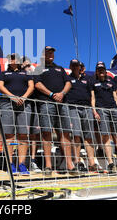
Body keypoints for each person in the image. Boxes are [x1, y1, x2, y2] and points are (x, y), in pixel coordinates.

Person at [32, 46, 71, 175]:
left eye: (52, 53)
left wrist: (62, 93)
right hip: (46, 103)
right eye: (47, 52)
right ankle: (48, 166)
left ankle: (70, 165)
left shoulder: (60, 68)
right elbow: (37, 84)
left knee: (65, 133)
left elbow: (68, 83)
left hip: (62, 103)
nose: (50, 55)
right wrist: (52, 94)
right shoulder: (38, 68)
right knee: (46, 133)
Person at [0, 53, 34, 176]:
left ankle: (22, 164)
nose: (14, 60)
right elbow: (0, 86)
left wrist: (23, 97)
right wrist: (12, 96)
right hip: (7, 103)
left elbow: (31, 86)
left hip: (24, 104)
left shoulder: (26, 73)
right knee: (9, 135)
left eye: (16, 58)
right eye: (11, 58)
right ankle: (10, 164)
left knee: (23, 134)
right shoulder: (4, 73)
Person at [90, 61, 117, 173]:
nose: (101, 71)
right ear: (96, 72)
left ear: (105, 70)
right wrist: (94, 111)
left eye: (102, 69)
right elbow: (92, 98)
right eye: (99, 70)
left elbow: (116, 98)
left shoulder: (111, 82)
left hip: (114, 109)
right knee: (106, 136)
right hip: (101, 110)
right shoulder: (93, 82)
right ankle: (110, 163)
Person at [64, 59, 100, 173]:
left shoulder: (87, 80)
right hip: (73, 108)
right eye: (73, 65)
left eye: (77, 66)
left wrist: (93, 110)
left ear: (80, 67)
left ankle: (92, 162)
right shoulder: (67, 79)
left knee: (89, 135)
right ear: (70, 66)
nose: (75, 67)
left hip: (87, 108)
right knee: (76, 135)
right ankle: (77, 161)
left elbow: (92, 96)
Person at [21, 56, 42, 173]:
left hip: (36, 106)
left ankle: (33, 161)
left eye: (29, 65)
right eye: (25, 66)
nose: (28, 68)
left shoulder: (35, 75)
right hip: (23, 105)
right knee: (22, 133)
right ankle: (21, 161)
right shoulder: (20, 76)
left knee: (35, 134)